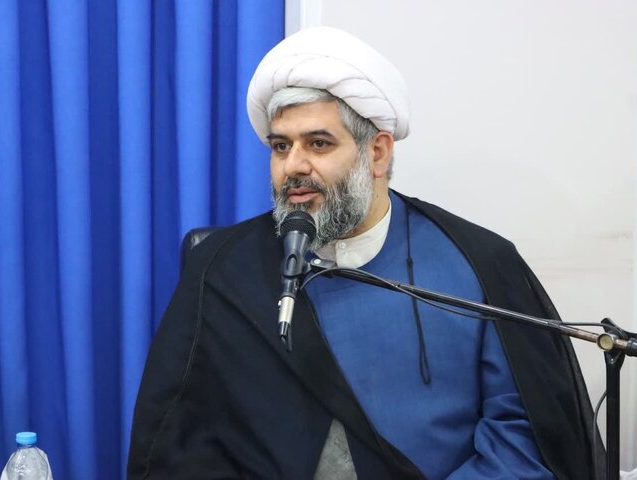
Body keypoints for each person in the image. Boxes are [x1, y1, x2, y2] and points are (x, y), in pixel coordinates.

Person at [128, 27, 604, 479]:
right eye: (281, 146)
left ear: (377, 153)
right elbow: (180, 442)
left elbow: (523, 436)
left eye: (318, 143)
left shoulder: (478, 264)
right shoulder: (224, 270)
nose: (293, 166)